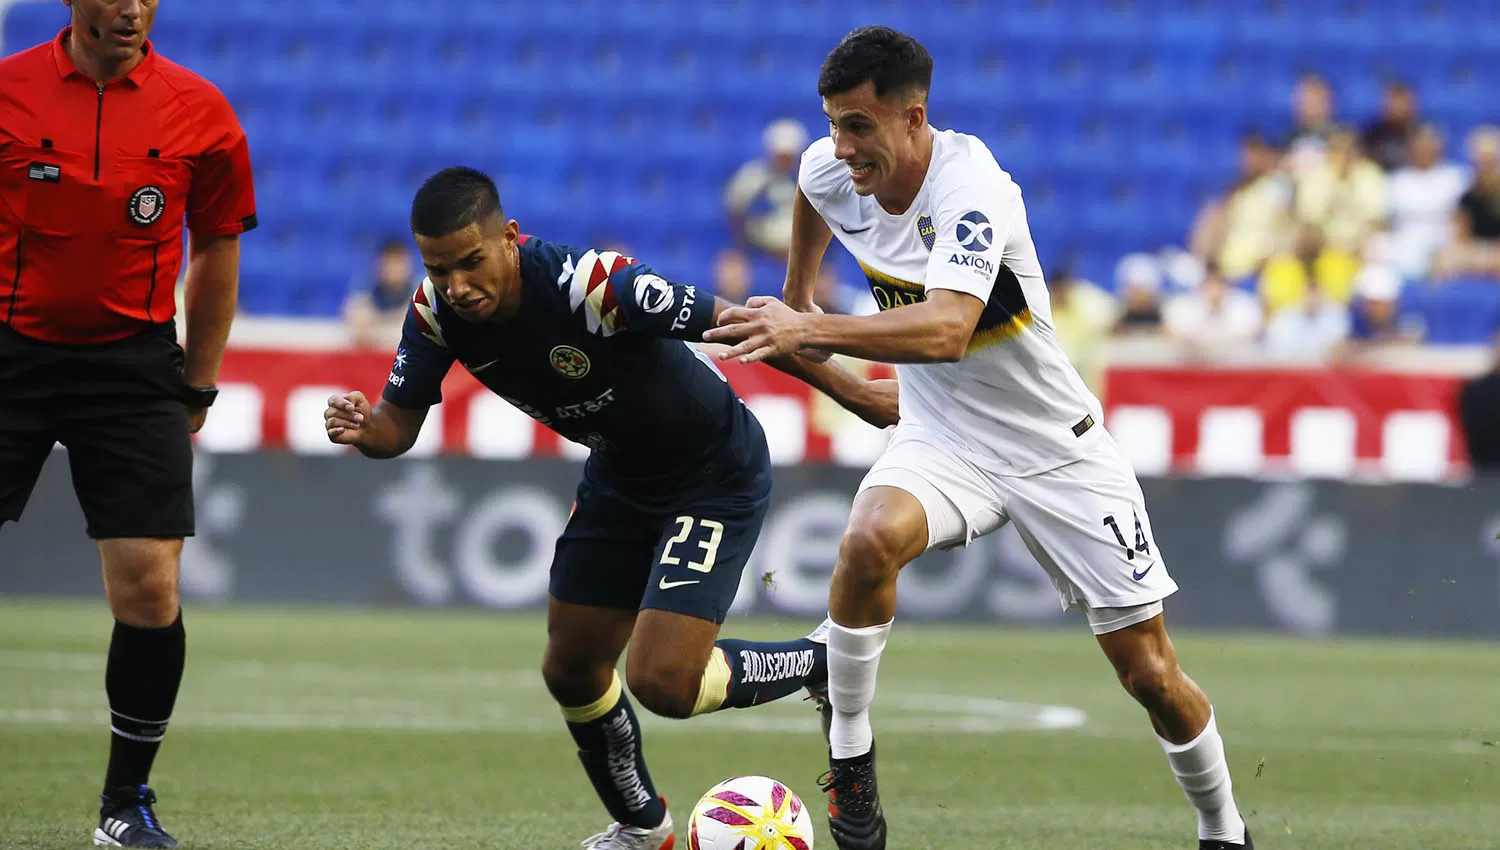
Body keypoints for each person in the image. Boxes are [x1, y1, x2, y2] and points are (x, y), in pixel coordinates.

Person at [705, 26, 1253, 850]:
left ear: (913, 117)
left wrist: (816, 334)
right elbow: (802, 268)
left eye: (859, 126)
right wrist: (823, 342)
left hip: (1057, 450)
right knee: (864, 543)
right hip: (945, 438)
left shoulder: (974, 189)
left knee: (1150, 673)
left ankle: (1224, 829)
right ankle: (851, 764)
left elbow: (948, 330)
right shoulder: (826, 174)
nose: (841, 146)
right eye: (832, 124)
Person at [321, 167, 898, 850]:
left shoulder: (594, 286)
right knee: (570, 666)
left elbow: (743, 326)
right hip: (621, 479)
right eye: (440, 269)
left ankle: (817, 663)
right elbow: (399, 424)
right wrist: (366, 428)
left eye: (471, 263)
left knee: (664, 682)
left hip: (712, 471)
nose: (458, 286)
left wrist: (856, 395)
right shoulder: (434, 312)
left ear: (509, 238)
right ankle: (643, 825)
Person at [0, 2, 257, 847]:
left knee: (149, 589)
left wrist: (200, 384)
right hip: (12, 349)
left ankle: (124, 804)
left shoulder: (200, 110)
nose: (132, 8)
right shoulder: (8, 92)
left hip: (134, 362)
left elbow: (218, 247)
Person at [343, 238, 421, 348]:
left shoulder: (423, 296)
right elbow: (359, 329)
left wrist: (378, 323)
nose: (393, 269)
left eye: (398, 262)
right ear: (379, 265)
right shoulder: (362, 296)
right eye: (389, 262)